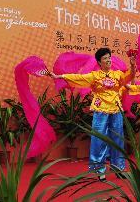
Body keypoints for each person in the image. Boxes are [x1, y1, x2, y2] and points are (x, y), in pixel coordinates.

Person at [47, 48, 135, 180]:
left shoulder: (117, 74)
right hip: (100, 110)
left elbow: (129, 76)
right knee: (99, 139)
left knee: (117, 139)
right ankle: (100, 170)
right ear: (99, 62)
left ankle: (118, 168)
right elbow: (79, 78)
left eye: (109, 57)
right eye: (105, 58)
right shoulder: (94, 76)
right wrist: (61, 76)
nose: (108, 60)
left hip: (115, 109)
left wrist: (133, 65)